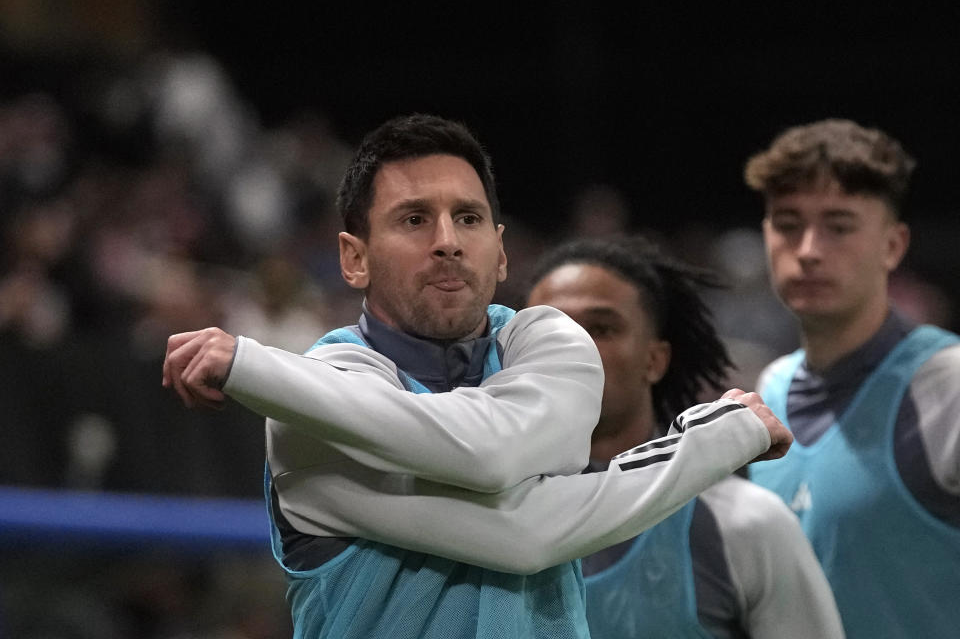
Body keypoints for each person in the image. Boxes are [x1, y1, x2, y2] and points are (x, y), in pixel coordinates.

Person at [162, 113, 792, 639]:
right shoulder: (314, 406)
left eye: (467, 219)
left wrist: (251, 366)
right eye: (413, 220)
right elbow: (522, 525)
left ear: (500, 251)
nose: (447, 241)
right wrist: (714, 440)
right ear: (354, 258)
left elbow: (490, 450)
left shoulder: (549, 341)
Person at [527, 235, 844, 638]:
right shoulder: (485, 514)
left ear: (655, 360)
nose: (572, 348)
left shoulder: (745, 523)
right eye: (549, 330)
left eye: (601, 328)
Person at [744, 118, 960, 639]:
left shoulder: (948, 386)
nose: (809, 249)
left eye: (838, 226)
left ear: (893, 245)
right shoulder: (768, 389)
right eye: (788, 223)